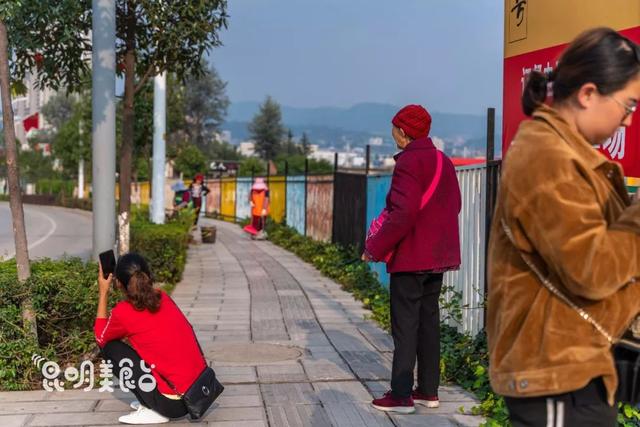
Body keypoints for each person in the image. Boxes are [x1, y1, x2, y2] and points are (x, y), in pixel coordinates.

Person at [487, 27, 640, 426]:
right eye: (628, 105)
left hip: (573, 367)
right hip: (555, 371)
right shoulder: (547, 157)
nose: (627, 121)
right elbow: (591, 268)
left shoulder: (563, 152)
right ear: (588, 93)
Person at [364, 104, 461, 414]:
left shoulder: (408, 163)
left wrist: (375, 248)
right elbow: (454, 205)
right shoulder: (443, 161)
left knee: (405, 325)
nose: (392, 133)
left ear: (403, 132)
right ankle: (428, 391)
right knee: (428, 323)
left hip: (412, 256)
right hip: (439, 256)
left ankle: (402, 395)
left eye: (394, 128)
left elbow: (402, 214)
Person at [95, 253, 207, 424]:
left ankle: (155, 409)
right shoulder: (164, 297)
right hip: (199, 391)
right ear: (148, 276)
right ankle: (154, 399)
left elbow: (100, 338)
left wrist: (102, 292)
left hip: (173, 404)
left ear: (118, 283)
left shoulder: (124, 312)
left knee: (111, 348)